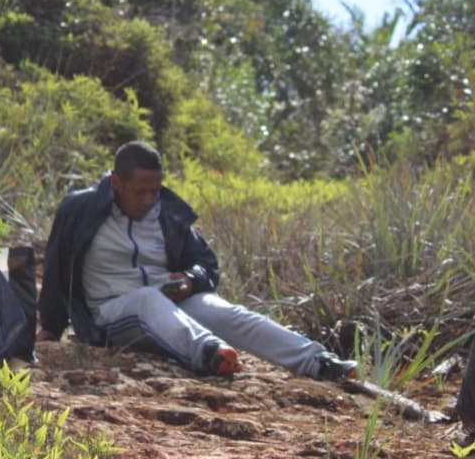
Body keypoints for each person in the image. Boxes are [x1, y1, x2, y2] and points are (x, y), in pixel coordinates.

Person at [36, 140, 359, 381]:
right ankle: (209, 354)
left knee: (223, 310)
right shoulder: (80, 209)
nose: (149, 200)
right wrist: (50, 327)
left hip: (170, 308)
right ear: (116, 184)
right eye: (140, 192)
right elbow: (56, 266)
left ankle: (319, 362)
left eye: (155, 190)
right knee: (147, 299)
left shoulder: (168, 213)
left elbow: (207, 263)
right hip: (109, 315)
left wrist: (191, 280)